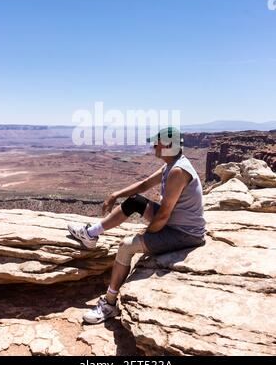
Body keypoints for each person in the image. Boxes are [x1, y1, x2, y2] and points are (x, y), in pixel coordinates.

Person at [68, 127, 206, 324]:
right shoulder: (171, 164)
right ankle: (91, 234)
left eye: (156, 142)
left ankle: (109, 304)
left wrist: (146, 235)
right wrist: (115, 195)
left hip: (184, 233)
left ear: (167, 145)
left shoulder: (177, 171)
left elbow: (164, 214)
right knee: (135, 201)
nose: (153, 146)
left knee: (125, 246)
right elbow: (144, 185)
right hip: (174, 223)